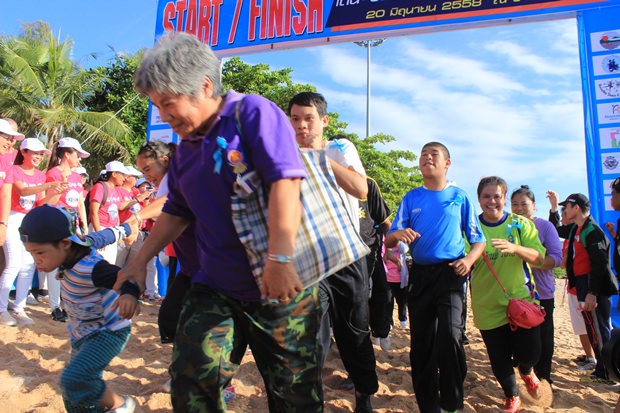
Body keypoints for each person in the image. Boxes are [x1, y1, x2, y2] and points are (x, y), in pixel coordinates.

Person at [116, 32, 322, 412]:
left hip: (279, 286)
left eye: (168, 103)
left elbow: (285, 182)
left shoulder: (252, 114)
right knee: (192, 384)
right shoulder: (184, 153)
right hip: (214, 287)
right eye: (156, 106)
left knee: (294, 396)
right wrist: (139, 260)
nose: (162, 115)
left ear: (204, 86)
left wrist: (279, 259)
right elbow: (176, 212)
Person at [288, 91, 377, 412]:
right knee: (312, 335)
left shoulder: (340, 148)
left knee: (354, 333)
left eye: (308, 119)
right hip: (306, 259)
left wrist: (319, 157)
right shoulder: (284, 156)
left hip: (346, 253)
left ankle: (364, 394)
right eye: (295, 119)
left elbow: (361, 188)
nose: (302, 126)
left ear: (323, 121)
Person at [385, 141, 486, 413]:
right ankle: (428, 406)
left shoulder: (460, 196)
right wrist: (398, 235)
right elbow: (390, 239)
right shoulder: (411, 198)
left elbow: (478, 240)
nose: (427, 158)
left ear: (447, 163)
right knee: (422, 344)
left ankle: (452, 403)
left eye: (434, 154)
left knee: (451, 337)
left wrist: (468, 260)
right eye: (423, 154)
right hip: (420, 275)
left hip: (452, 274)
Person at [20, 204, 139, 413]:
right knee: (73, 397)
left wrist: (129, 294)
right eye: (31, 254)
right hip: (81, 333)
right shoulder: (77, 245)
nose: (36, 260)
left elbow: (124, 276)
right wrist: (127, 229)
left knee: (75, 379)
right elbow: (105, 235)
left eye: (40, 253)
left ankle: (121, 405)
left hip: (107, 332)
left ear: (65, 243)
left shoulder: (91, 268)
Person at [471, 176, 546, 413]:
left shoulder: (519, 224)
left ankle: (526, 371)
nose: (492, 201)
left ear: (505, 198)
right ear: (479, 199)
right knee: (498, 356)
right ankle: (512, 395)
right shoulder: (471, 225)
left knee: (530, 352)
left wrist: (515, 248)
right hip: (486, 303)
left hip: (521, 300)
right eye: (486, 196)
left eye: (497, 196)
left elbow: (540, 258)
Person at [0, 138, 64, 326]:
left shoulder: (40, 175)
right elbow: (24, 191)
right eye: (34, 153)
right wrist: (48, 186)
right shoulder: (14, 170)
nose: (38, 157)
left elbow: (41, 203)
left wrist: (55, 191)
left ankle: (19, 308)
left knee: (28, 265)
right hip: (13, 218)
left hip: (29, 220)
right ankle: (2, 309)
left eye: (40, 154)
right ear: (24, 152)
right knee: (13, 264)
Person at [560, 193, 619, 383]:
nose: (565, 211)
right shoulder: (576, 229)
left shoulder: (592, 230)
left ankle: (608, 373)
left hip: (595, 287)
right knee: (592, 329)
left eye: (566, 207)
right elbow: (557, 230)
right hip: (584, 285)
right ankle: (601, 370)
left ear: (576, 207)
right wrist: (553, 207)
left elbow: (600, 264)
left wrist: (593, 293)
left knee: (601, 330)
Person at [510, 185, 563, 384]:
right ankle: (524, 374)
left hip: (541, 293)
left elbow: (556, 258)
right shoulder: (508, 226)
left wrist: (532, 261)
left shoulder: (545, 226)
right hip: (515, 293)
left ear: (534, 206)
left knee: (543, 337)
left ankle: (544, 377)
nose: (519, 208)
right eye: (515, 204)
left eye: (524, 204)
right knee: (518, 336)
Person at [43, 136, 91, 322]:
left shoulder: (76, 176)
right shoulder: (54, 173)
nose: (79, 158)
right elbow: (48, 201)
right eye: (77, 154)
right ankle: (55, 306)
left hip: (73, 223)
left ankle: (66, 304)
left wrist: (84, 226)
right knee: (56, 265)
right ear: (66, 154)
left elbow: (79, 202)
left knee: (69, 266)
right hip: (56, 221)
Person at [358, 176, 393, 351]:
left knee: (382, 293)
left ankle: (382, 332)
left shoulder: (368, 183)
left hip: (369, 252)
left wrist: (391, 249)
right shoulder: (326, 179)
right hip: (341, 256)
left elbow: (385, 222)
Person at [383, 242, 409, 330]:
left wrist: (396, 240)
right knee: (388, 302)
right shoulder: (384, 242)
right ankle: (389, 321)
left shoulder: (401, 243)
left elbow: (405, 249)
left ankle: (403, 319)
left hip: (400, 279)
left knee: (402, 301)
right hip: (387, 278)